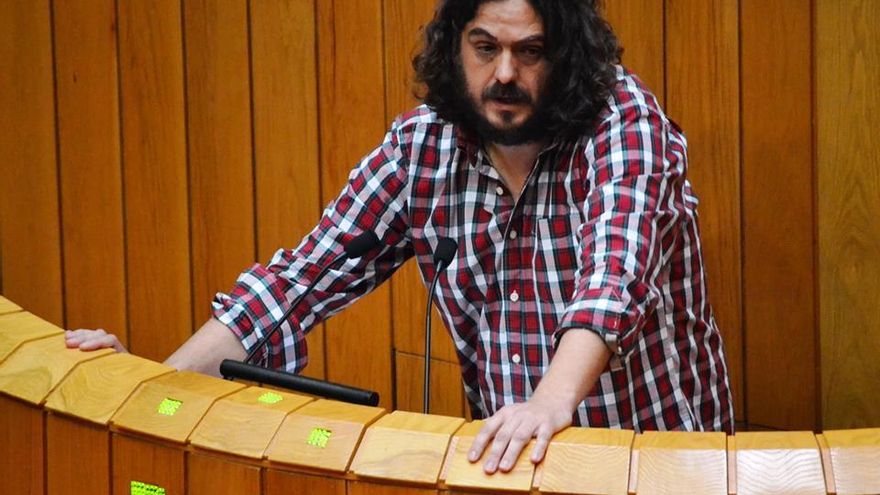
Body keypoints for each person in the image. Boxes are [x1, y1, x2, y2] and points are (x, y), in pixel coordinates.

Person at [67, 0, 733, 475]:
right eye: (485, 48)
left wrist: (547, 404)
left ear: (568, 56)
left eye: (530, 52)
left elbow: (614, 280)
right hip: (512, 465)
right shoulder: (422, 146)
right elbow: (299, 282)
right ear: (456, 47)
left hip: (655, 464)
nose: (505, 73)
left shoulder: (624, 122)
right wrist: (154, 389)